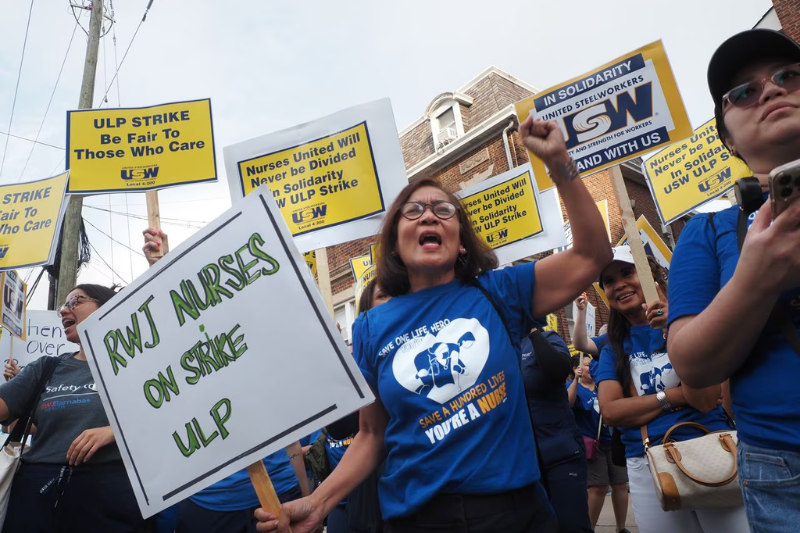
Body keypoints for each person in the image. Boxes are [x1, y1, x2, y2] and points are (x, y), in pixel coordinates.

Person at [255, 116, 612, 533]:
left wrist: (558, 162)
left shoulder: (500, 292)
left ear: (460, 240)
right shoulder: (371, 326)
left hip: (514, 514)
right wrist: (318, 503)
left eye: (443, 210)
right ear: (395, 241)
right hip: (416, 520)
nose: (429, 216)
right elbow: (371, 435)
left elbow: (592, 255)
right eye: (414, 210)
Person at [667, 29, 800, 532]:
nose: (769, 89)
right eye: (742, 92)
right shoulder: (708, 231)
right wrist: (758, 277)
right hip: (786, 469)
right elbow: (693, 365)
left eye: (789, 76)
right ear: (727, 138)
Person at [143, 229, 309, 533]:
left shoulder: (259, 350)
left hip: (279, 492)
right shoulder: (179, 363)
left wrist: (311, 503)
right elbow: (168, 324)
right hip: (208, 505)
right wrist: (162, 268)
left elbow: (292, 442)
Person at [595, 246, 749, 533]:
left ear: (651, 275)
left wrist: (673, 331)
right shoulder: (612, 350)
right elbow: (612, 411)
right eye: (609, 281)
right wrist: (674, 396)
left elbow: (704, 400)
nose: (619, 285)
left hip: (711, 449)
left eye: (627, 272)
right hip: (647, 463)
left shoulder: (693, 321)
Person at [0, 284, 148, 532]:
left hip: (108, 493)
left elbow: (168, 415)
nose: (62, 310)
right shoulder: (46, 367)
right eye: (62, 305)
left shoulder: (137, 365)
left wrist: (114, 431)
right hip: (37, 491)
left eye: (74, 302)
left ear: (108, 307)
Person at [520, 328, 592, 533]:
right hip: (525, 459)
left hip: (560, 452)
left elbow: (559, 370)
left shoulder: (548, 337)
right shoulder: (502, 343)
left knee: (571, 526)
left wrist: (533, 332)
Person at [567, 355, 629, 533]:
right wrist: (576, 381)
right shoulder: (575, 388)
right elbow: (568, 403)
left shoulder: (602, 385)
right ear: (576, 368)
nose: (591, 367)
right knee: (599, 487)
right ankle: (589, 528)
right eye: (587, 365)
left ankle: (621, 528)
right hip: (593, 446)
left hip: (613, 442)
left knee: (620, 484)